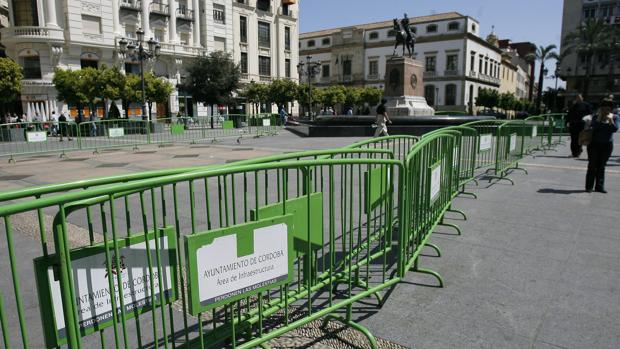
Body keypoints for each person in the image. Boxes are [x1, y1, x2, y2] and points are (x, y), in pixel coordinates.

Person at [583, 96, 619, 193]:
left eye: (608, 108)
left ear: (611, 109)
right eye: (604, 108)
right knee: (592, 165)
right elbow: (594, 127)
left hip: (607, 145)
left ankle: (599, 187)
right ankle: (589, 187)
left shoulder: (615, 117)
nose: (606, 110)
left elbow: (615, 129)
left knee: (601, 166)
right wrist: (599, 119)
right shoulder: (595, 117)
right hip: (594, 144)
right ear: (601, 108)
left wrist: (610, 121)